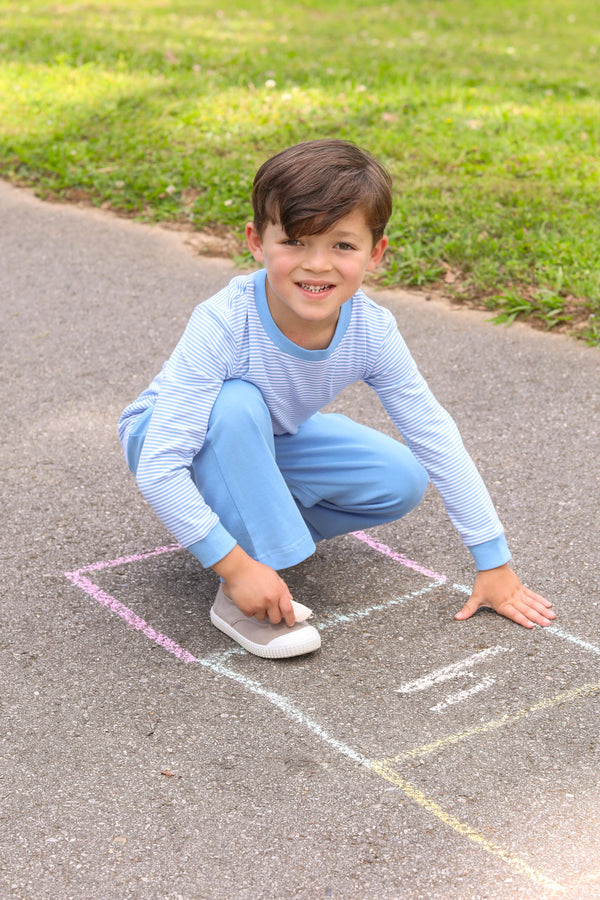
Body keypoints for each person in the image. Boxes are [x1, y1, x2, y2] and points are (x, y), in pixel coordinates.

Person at [118, 139, 555, 659]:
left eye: (343, 246)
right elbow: (161, 463)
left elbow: (433, 432)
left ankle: (237, 534)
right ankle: (242, 585)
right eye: (296, 242)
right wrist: (236, 566)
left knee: (399, 478)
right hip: (168, 436)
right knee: (235, 403)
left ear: (376, 252)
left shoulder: (372, 330)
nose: (317, 265)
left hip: (272, 434)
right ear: (257, 242)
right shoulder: (223, 323)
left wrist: (493, 561)